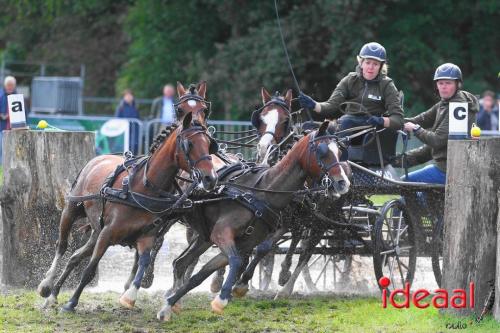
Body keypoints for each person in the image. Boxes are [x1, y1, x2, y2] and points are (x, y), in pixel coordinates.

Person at [398, 63, 479, 184]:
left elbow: (437, 141)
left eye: (448, 83)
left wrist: (415, 129)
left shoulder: (458, 106)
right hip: (444, 167)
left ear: (458, 84)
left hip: (451, 169)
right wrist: (392, 121)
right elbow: (420, 119)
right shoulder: (443, 104)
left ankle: (416, 204)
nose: (443, 87)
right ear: (436, 85)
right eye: (441, 83)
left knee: (404, 182)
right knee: (415, 188)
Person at [299, 42, 404, 132]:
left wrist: (380, 120)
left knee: (346, 122)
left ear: (381, 67)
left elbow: (398, 120)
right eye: (368, 63)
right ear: (361, 63)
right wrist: (313, 104)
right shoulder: (350, 80)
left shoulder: (387, 85)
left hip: (372, 130)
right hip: (347, 124)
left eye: (375, 64)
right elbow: (331, 106)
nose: (370, 67)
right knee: (308, 126)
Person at [115, 89, 140, 154]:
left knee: (134, 146)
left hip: (134, 131)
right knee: (124, 146)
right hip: (124, 131)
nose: (128, 97)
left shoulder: (135, 107)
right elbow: (117, 119)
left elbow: (138, 119)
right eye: (126, 96)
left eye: (130, 95)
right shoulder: (121, 107)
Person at [0, 76, 17, 163]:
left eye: (12, 85)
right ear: (5, 85)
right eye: (8, 85)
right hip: (1, 127)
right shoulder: (1, 95)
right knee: (1, 148)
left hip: (13, 128)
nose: (10, 87)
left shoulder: (17, 97)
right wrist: (2, 116)